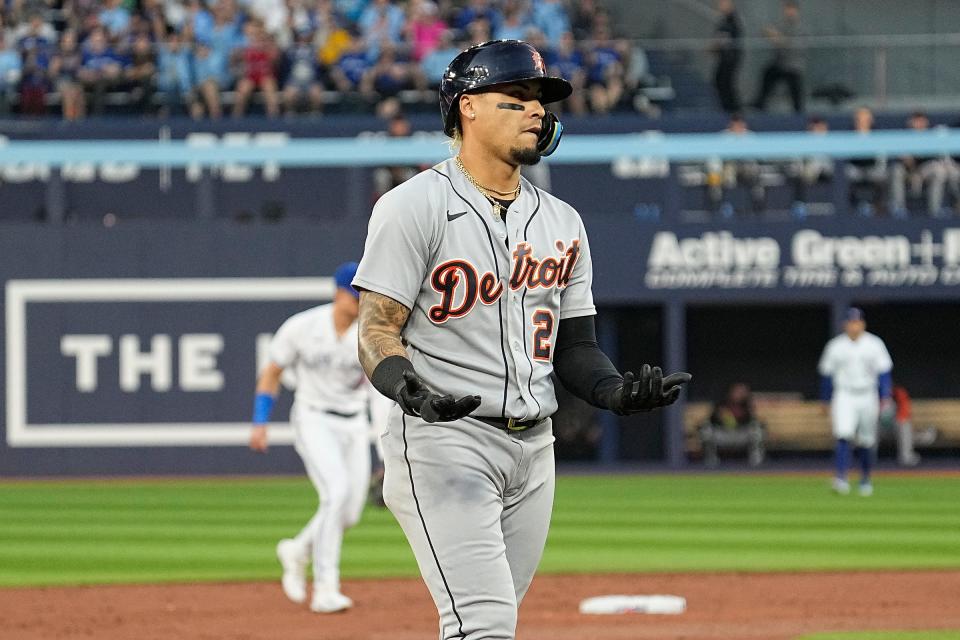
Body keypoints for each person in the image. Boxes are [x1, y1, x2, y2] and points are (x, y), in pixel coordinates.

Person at [352, 39, 692, 639]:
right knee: (483, 625)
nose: (537, 110)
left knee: (488, 621)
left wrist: (615, 392)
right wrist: (409, 389)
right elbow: (377, 327)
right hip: (445, 440)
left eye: (540, 100)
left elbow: (575, 346)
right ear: (467, 108)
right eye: (517, 98)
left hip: (535, 450)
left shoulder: (562, 220)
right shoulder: (414, 206)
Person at [249, 262, 386, 614]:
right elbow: (272, 372)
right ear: (338, 292)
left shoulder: (371, 334)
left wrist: (385, 447)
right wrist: (260, 421)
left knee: (349, 513)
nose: (360, 301)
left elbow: (378, 395)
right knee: (336, 493)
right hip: (314, 419)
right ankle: (325, 588)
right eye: (355, 295)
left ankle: (297, 550)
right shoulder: (302, 327)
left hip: (354, 424)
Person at [818, 307, 893, 497]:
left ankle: (865, 479)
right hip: (844, 394)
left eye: (857, 321)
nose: (854, 325)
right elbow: (826, 375)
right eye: (851, 322)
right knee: (843, 434)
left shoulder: (874, 343)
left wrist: (885, 396)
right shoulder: (835, 346)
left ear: (863, 323)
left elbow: (884, 372)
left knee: (867, 440)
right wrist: (825, 400)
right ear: (845, 324)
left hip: (868, 394)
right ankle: (841, 478)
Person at [890, 111, 950, 218]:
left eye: (921, 120)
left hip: (925, 172)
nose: (919, 124)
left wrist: (919, 175)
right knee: (896, 170)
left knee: (939, 170)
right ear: (910, 122)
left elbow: (935, 159)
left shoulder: (932, 137)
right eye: (916, 121)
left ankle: (935, 210)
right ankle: (899, 208)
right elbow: (899, 158)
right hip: (907, 172)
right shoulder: (903, 136)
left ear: (926, 122)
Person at [752, 0, 805, 113]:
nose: (789, 12)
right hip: (780, 63)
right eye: (787, 10)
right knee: (768, 74)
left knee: (795, 89)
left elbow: (792, 45)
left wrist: (777, 37)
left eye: (791, 10)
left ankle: (799, 111)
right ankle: (759, 104)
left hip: (793, 65)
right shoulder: (782, 25)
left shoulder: (800, 27)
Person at [698, 382, 766, 468]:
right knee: (706, 430)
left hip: (740, 435)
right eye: (737, 391)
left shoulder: (747, 405)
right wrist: (721, 416)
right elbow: (711, 420)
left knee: (756, 428)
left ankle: (756, 460)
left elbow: (751, 421)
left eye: (742, 392)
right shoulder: (722, 403)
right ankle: (711, 459)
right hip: (724, 435)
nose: (739, 394)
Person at [710, 0, 742, 113]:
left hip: (730, 59)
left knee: (727, 83)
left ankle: (734, 109)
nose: (721, 6)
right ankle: (727, 108)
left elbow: (725, 39)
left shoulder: (733, 20)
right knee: (719, 81)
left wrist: (716, 45)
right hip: (724, 58)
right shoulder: (723, 21)